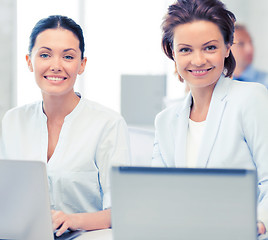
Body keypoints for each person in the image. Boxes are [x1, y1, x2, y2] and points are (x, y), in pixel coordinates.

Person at [0, 15, 130, 236]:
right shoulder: (13, 120)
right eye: (45, 55)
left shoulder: (108, 123)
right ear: (29, 61)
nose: (56, 66)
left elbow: (122, 211)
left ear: (82, 64)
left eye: (68, 56)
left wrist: (72, 220)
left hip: (85, 235)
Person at [152, 0, 268, 235]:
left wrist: (258, 223)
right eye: (185, 49)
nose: (198, 60)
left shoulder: (251, 98)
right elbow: (159, 193)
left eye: (210, 48)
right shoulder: (165, 121)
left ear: (227, 48)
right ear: (171, 52)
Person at [231, 24, 268, 88]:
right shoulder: (217, 83)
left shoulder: (265, 82)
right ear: (227, 48)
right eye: (241, 44)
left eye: (250, 42)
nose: (250, 49)